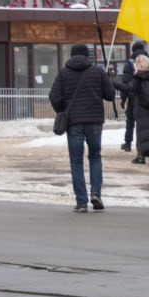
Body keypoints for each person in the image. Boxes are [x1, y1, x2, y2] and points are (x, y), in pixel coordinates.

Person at [49, 43, 115, 212]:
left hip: (74, 123)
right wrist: (107, 79)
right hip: (94, 121)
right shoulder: (98, 72)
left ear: (71, 55)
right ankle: (96, 193)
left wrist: (62, 111)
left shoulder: (64, 73)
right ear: (88, 56)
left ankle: (81, 202)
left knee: (76, 162)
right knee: (95, 156)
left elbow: (54, 96)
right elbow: (110, 96)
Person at [117, 41, 145, 152]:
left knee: (130, 121)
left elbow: (125, 83)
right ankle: (148, 145)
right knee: (145, 122)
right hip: (147, 97)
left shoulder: (129, 64)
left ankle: (128, 143)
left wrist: (123, 99)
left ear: (133, 51)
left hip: (133, 97)